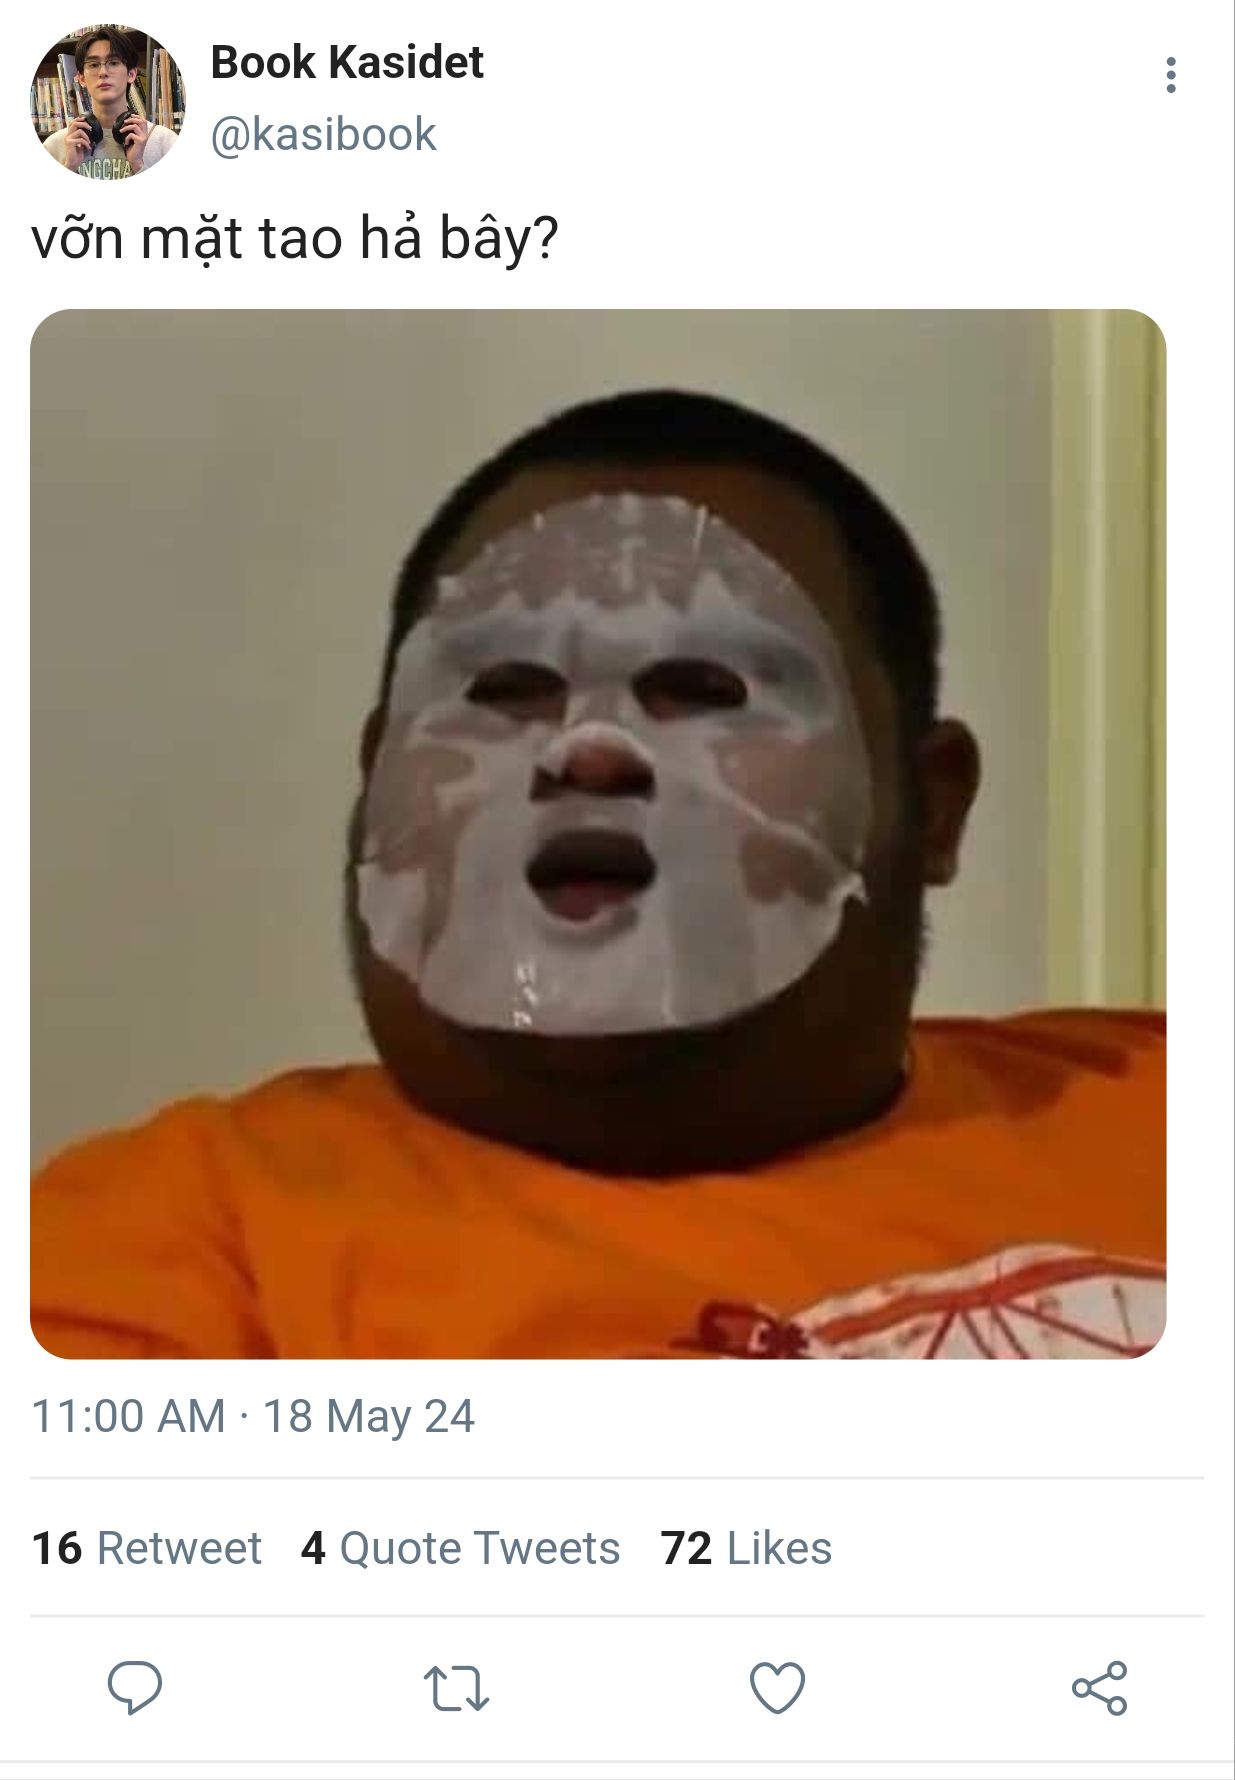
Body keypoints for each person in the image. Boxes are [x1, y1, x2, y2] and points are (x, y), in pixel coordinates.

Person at [30, 390, 1165, 1360]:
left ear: (934, 806)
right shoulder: (161, 1256)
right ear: (378, 778)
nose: (589, 750)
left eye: (704, 690)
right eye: (502, 692)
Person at [43, 29, 176, 181]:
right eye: (93, 64)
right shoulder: (54, 146)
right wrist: (69, 167)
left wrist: (138, 165)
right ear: (81, 78)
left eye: (113, 63)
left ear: (131, 74)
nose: (103, 72)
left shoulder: (165, 142)